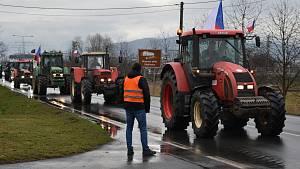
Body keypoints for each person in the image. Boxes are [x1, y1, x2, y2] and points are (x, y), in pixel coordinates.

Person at [123, 63, 156, 157]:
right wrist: (147, 108)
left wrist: (124, 104)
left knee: (129, 128)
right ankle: (145, 150)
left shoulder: (126, 78)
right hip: (139, 108)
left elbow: (122, 92)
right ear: (139, 70)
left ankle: (129, 149)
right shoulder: (141, 79)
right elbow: (146, 94)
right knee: (143, 129)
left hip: (128, 107)